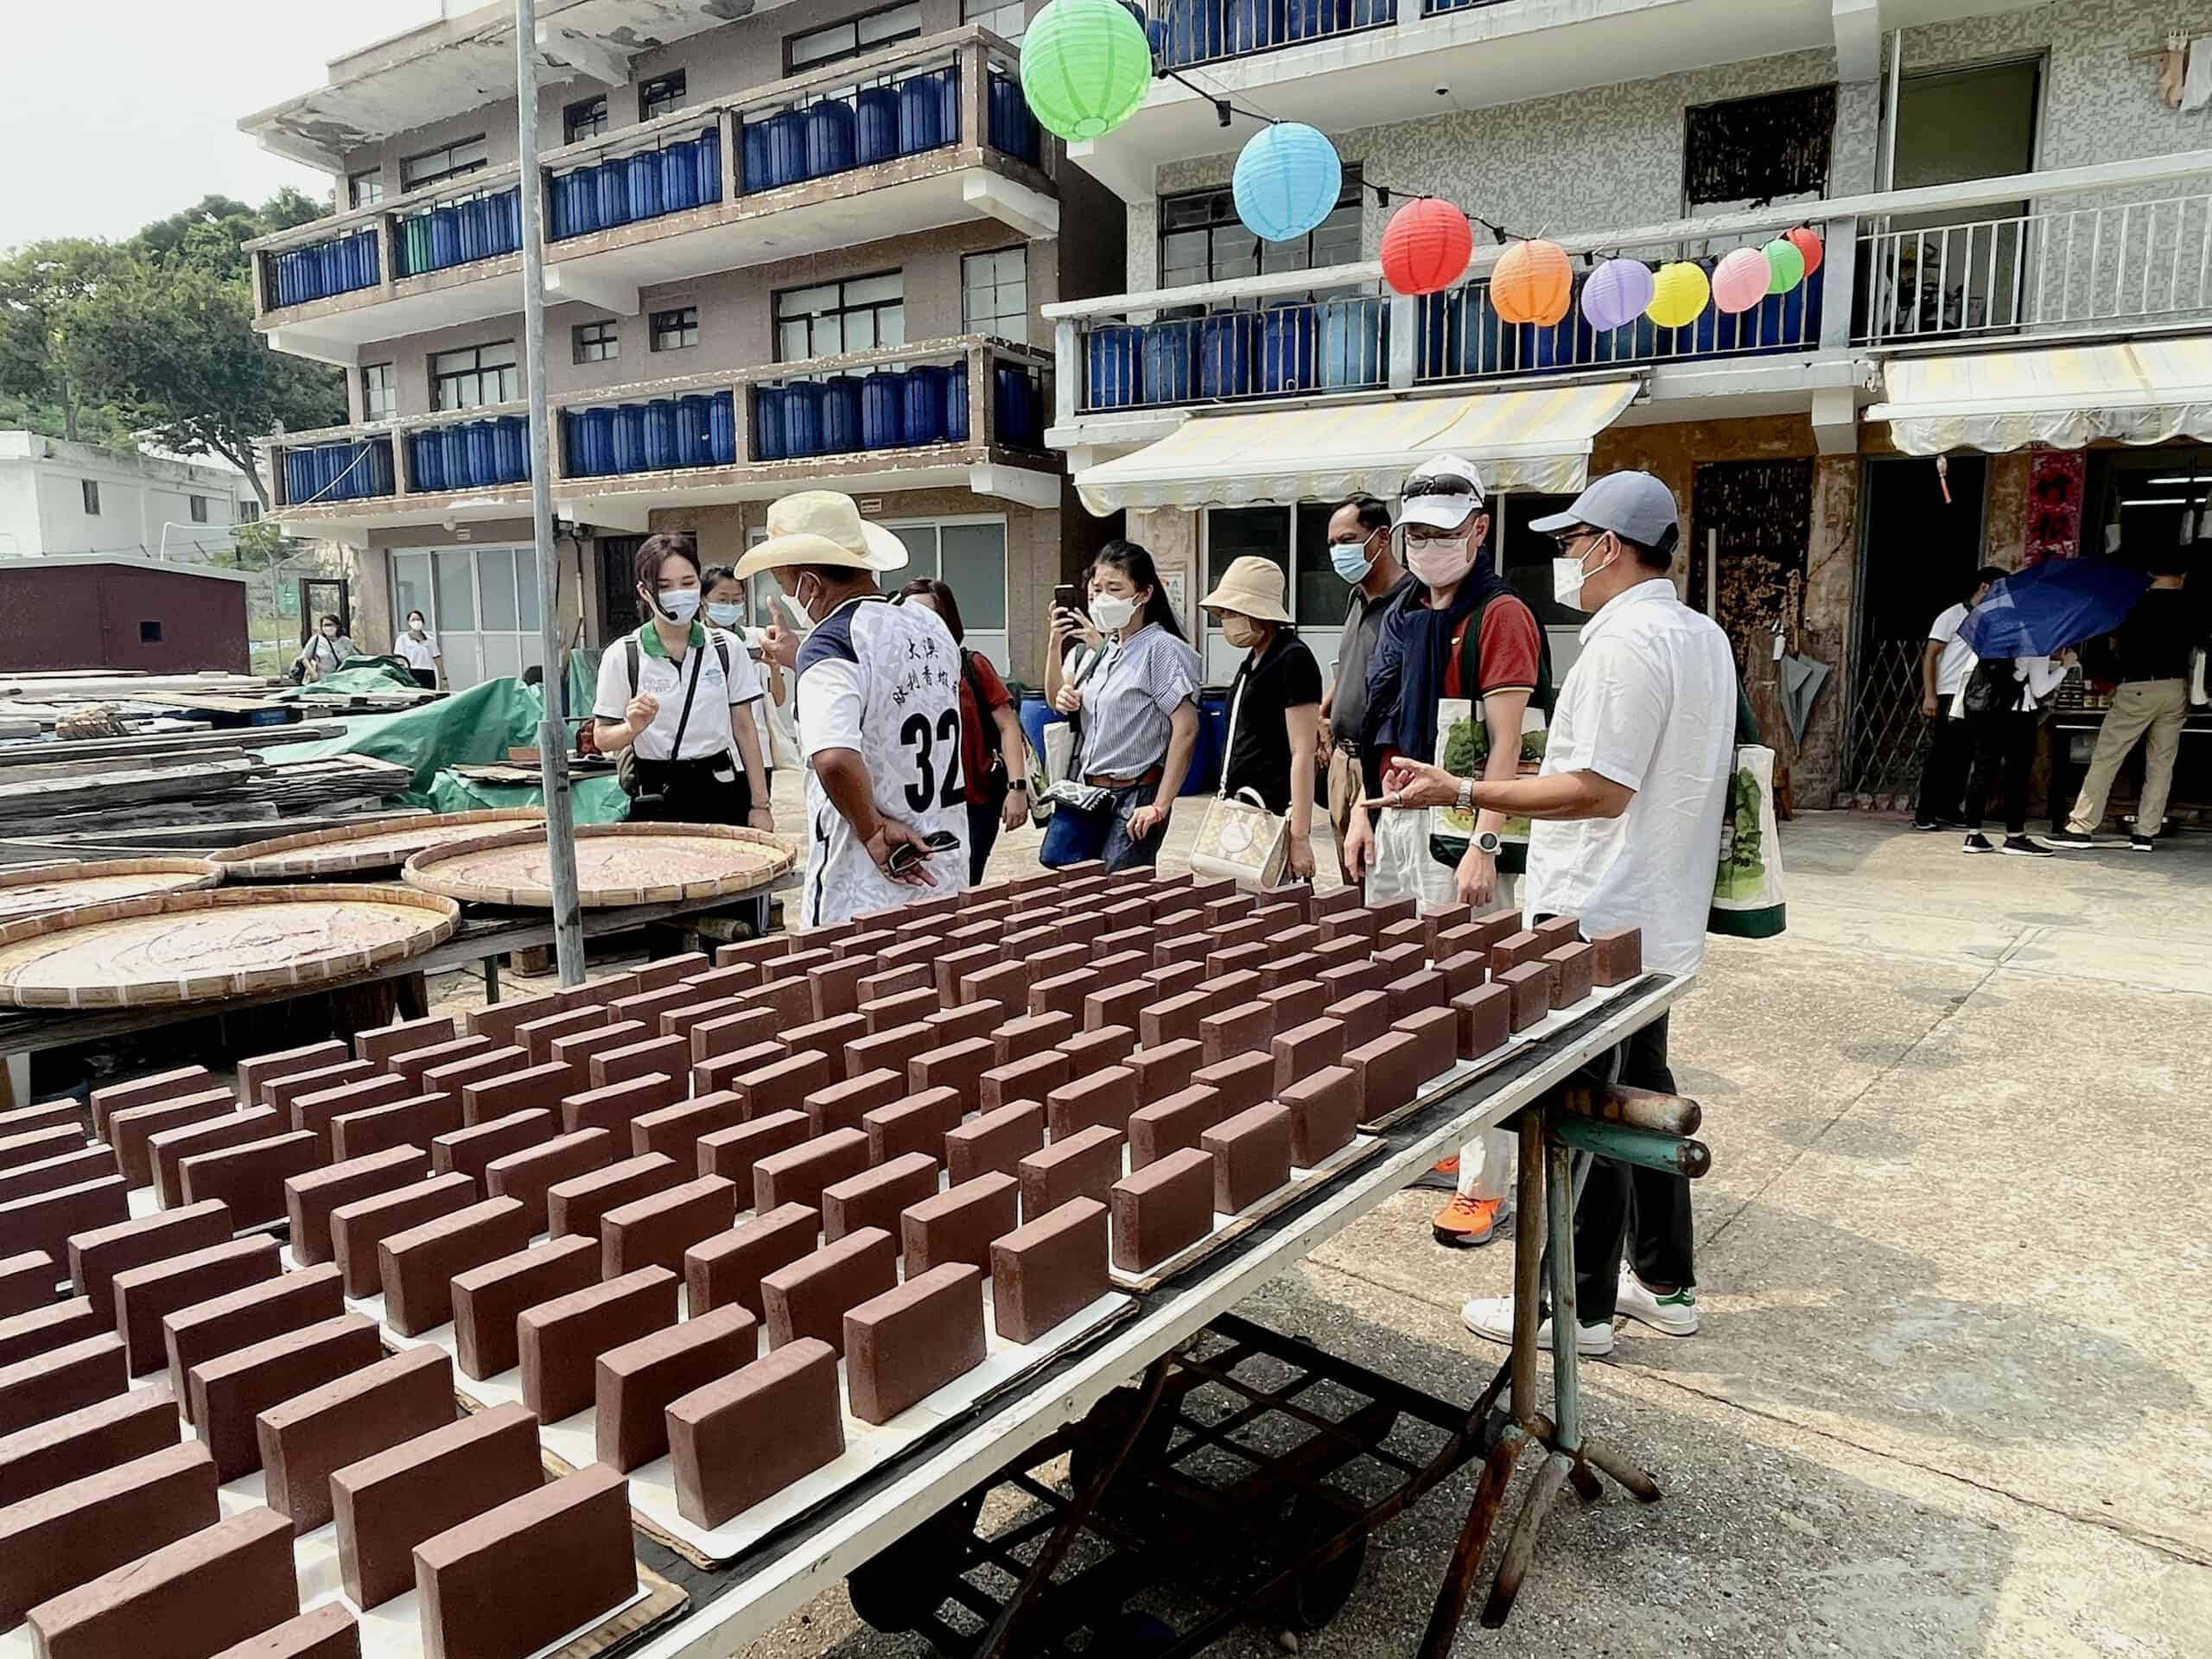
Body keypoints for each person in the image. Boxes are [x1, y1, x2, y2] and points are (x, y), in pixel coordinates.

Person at [1370, 472, 1733, 1355]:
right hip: (1655, 914)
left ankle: (1578, 1308)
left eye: (1573, 544)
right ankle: (1666, 1281)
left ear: (1608, 546)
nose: (1566, 560)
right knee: (1644, 1089)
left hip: (1599, 916)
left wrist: (1459, 789)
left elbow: (1599, 790)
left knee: (1591, 1105)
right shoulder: (1702, 636)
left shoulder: (1625, 644)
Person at [1343, 456, 1548, 1250]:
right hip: (1397, 815)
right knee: (1411, 991)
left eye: (1444, 532)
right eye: (1416, 533)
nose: (1429, 547)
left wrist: (1483, 844)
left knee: (1476, 999)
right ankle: (1453, 1142)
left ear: (1479, 528)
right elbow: (1382, 724)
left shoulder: (1499, 615)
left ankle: (1486, 1186)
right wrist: (1364, 812)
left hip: (1463, 822)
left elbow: (1508, 744)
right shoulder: (1402, 613)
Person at [739, 491, 967, 925]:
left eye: (784, 584)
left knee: (854, 988)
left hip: (871, 875)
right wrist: (800, 656)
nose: (787, 595)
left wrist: (872, 829)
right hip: (945, 857)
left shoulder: (831, 644)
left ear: (810, 584)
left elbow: (834, 757)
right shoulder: (929, 625)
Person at [590, 533, 773, 835]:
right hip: (655, 790)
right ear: (644, 591)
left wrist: (760, 804)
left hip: (720, 785)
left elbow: (744, 727)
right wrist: (632, 727)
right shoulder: (624, 655)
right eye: (665, 586)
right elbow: (602, 738)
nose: (679, 593)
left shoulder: (726, 648)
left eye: (688, 583)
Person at [1040, 540, 1202, 873]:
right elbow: (1057, 699)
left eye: (1115, 588)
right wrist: (1059, 661)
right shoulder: (1104, 650)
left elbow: (1186, 729)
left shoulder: (1162, 649)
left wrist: (1160, 805)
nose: (1102, 598)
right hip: (1088, 794)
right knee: (1078, 892)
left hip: (1136, 794)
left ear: (1143, 594)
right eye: (1095, 590)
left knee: (1122, 900)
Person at [2050, 552, 2199, 851]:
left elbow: (2103, 647)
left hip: (2137, 687)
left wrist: (2115, 677)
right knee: (2161, 763)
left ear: (2149, 575)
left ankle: (2081, 827)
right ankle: (2145, 833)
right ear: (2181, 576)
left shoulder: (2132, 604)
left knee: (2108, 757)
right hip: (2176, 689)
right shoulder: (2191, 607)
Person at [897, 576, 1028, 883]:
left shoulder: (971, 665)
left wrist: (1017, 788)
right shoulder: (897, 670)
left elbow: (1008, 726)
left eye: (928, 615)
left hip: (974, 803)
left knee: (965, 884)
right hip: (917, 806)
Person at [1199, 556, 1321, 880]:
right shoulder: (1250, 663)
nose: (1224, 619)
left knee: (1272, 910)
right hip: (1239, 809)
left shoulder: (1293, 658)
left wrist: (1299, 836)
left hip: (1271, 814)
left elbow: (1303, 752)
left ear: (1257, 613)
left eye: (1230, 611)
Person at [1319, 495, 1413, 884]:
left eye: (1347, 540)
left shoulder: (1413, 602)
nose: (1339, 552)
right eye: (1332, 544)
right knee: (1348, 884)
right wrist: (1325, 712)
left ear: (1381, 538)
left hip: (1384, 765)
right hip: (1343, 761)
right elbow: (1350, 666)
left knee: (1380, 879)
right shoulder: (1356, 598)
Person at [1914, 567, 2008, 830]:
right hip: (1948, 692)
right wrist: (1930, 695)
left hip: (1976, 693)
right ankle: (1925, 811)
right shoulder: (1953, 615)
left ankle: (1949, 807)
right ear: (1985, 587)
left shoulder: (1992, 621)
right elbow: (1930, 655)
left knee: (1965, 754)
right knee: (1941, 753)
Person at [1955, 645, 2069, 856]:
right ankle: (2015, 835)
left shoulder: (1995, 642)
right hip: (2018, 716)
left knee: (1982, 771)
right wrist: (2065, 667)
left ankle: (1973, 834)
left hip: (1986, 712)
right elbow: (2040, 689)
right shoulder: (2037, 645)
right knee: (2017, 776)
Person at [294, 614, 354, 683]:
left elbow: (353, 658)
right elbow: (304, 658)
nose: (328, 628)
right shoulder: (317, 639)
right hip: (321, 679)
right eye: (325, 625)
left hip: (341, 679)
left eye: (330, 625)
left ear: (337, 626)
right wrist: (313, 673)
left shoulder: (346, 641)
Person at [394, 609, 442, 690]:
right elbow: (400, 659)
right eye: (413, 620)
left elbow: (437, 658)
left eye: (419, 619)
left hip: (428, 672)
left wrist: (443, 677)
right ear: (408, 623)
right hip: (411, 672)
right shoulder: (402, 639)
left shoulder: (430, 640)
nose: (416, 622)